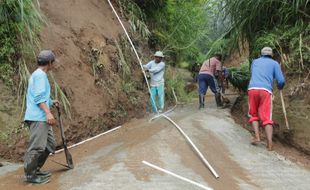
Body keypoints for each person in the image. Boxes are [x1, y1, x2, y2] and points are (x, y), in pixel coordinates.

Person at [24, 50, 58, 184]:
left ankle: (36, 169)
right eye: (53, 62)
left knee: (50, 145)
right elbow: (38, 98)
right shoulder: (40, 76)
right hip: (38, 117)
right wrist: (48, 112)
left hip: (42, 116)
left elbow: (40, 95)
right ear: (49, 63)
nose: (54, 64)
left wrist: (51, 102)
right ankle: (30, 175)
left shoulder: (39, 75)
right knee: (37, 147)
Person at [248, 47, 285, 151]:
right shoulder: (275, 64)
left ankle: (257, 137)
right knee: (266, 117)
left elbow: (253, 73)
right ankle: (269, 143)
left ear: (261, 54)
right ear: (271, 55)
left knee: (253, 114)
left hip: (253, 89)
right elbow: (281, 80)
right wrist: (280, 87)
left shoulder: (254, 62)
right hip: (265, 91)